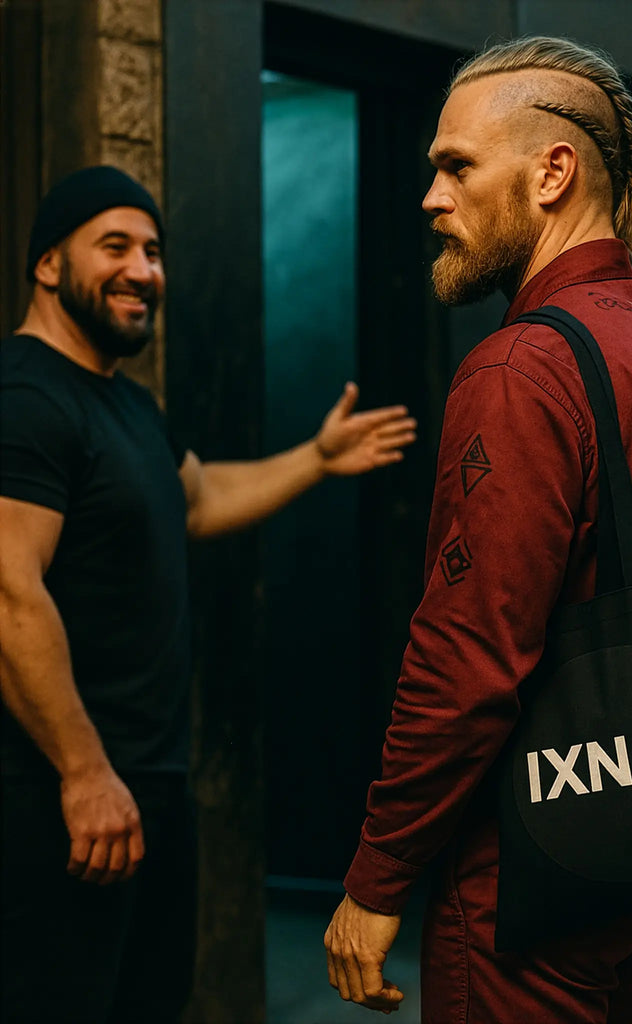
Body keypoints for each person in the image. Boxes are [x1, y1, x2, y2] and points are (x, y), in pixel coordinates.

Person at [323, 36, 632, 1023]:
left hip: (522, 878)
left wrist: (377, 874)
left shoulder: (522, 369)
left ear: (552, 171)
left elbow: (469, 654)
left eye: (455, 166)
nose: (431, 197)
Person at [0, 165, 416, 1024]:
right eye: (113, 246)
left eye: (153, 251)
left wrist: (317, 458)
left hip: (145, 788)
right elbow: (7, 590)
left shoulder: (125, 407)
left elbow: (197, 498)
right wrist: (83, 773)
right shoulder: (25, 396)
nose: (143, 268)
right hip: (57, 799)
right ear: (48, 264)